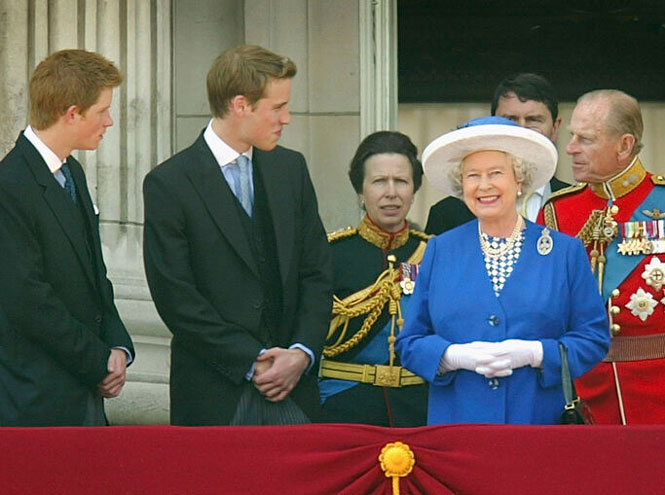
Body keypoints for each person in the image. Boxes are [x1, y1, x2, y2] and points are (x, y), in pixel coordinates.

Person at [143, 45, 332, 426]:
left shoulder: (291, 169)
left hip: (296, 394)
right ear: (241, 105)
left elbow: (317, 272)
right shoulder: (169, 183)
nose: (287, 118)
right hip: (214, 396)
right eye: (277, 107)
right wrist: (251, 360)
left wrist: (301, 353)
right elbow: (176, 297)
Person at [396, 116, 609, 425]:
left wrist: (536, 353)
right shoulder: (440, 250)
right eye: (472, 176)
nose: (484, 186)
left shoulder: (564, 252)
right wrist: (451, 356)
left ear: (519, 180)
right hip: (458, 425)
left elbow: (593, 339)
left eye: (496, 173)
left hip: (538, 423)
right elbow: (410, 343)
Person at [0, 49, 134, 426]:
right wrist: (98, 360)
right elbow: (28, 299)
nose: (109, 121)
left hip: (84, 388)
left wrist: (118, 347)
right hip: (37, 401)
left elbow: (95, 276)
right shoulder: (10, 186)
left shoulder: (71, 171)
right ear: (72, 113)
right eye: (102, 111)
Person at [539, 89, 665, 424]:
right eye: (571, 137)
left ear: (625, 145)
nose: (570, 149)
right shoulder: (557, 212)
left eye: (586, 139)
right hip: (584, 395)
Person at [319, 131, 430, 427]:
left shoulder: (433, 254)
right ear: (360, 191)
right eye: (379, 181)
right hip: (345, 407)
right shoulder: (329, 255)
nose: (391, 192)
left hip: (418, 412)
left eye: (401, 181)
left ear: (413, 190)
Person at [425, 73, 569, 234]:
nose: (521, 129)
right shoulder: (447, 214)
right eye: (510, 120)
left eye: (533, 120)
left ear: (555, 128)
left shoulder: (577, 205)